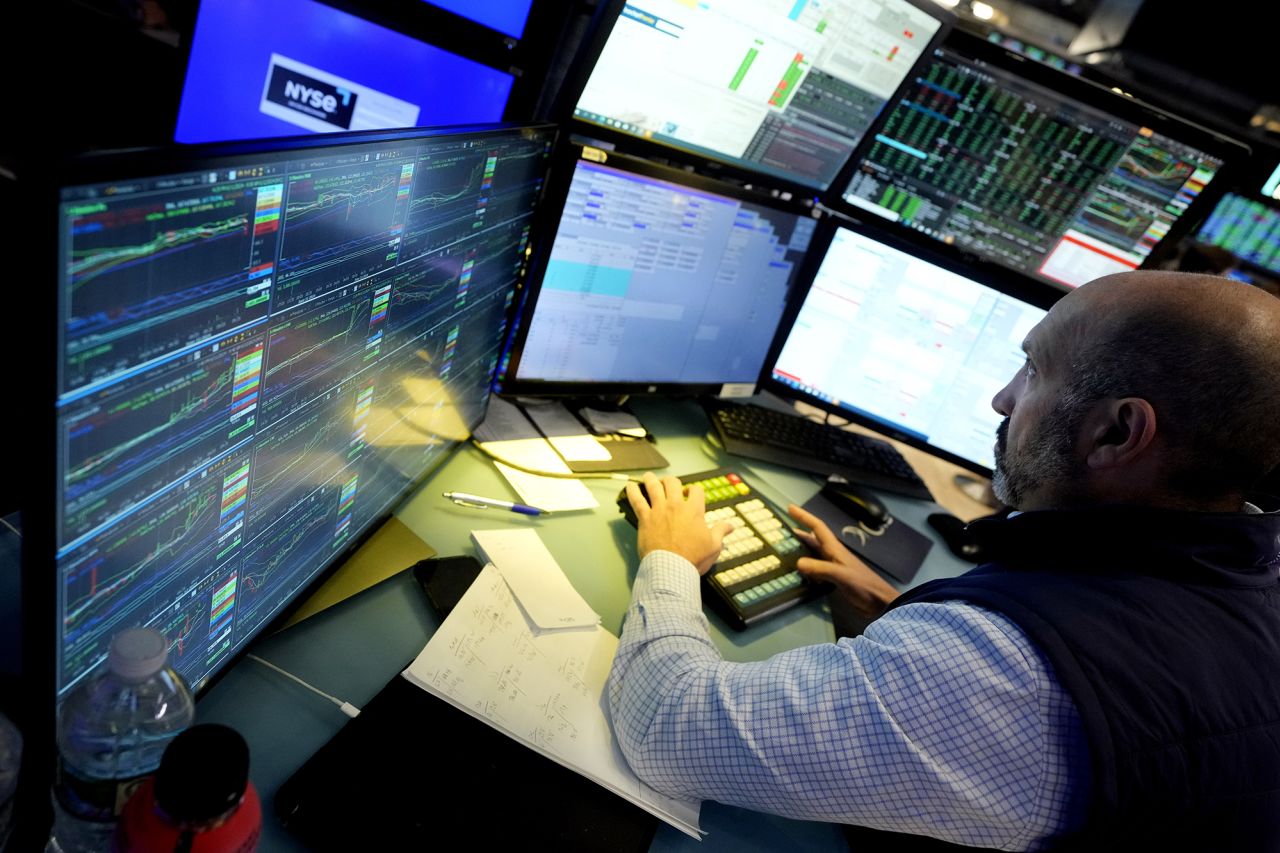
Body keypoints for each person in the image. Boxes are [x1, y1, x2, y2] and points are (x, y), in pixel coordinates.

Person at [607, 270, 1280, 851]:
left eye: (1036, 369)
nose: (1003, 398)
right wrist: (900, 612)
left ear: (1115, 430)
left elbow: (666, 726)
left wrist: (668, 557)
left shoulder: (1012, 671)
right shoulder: (1253, 585)